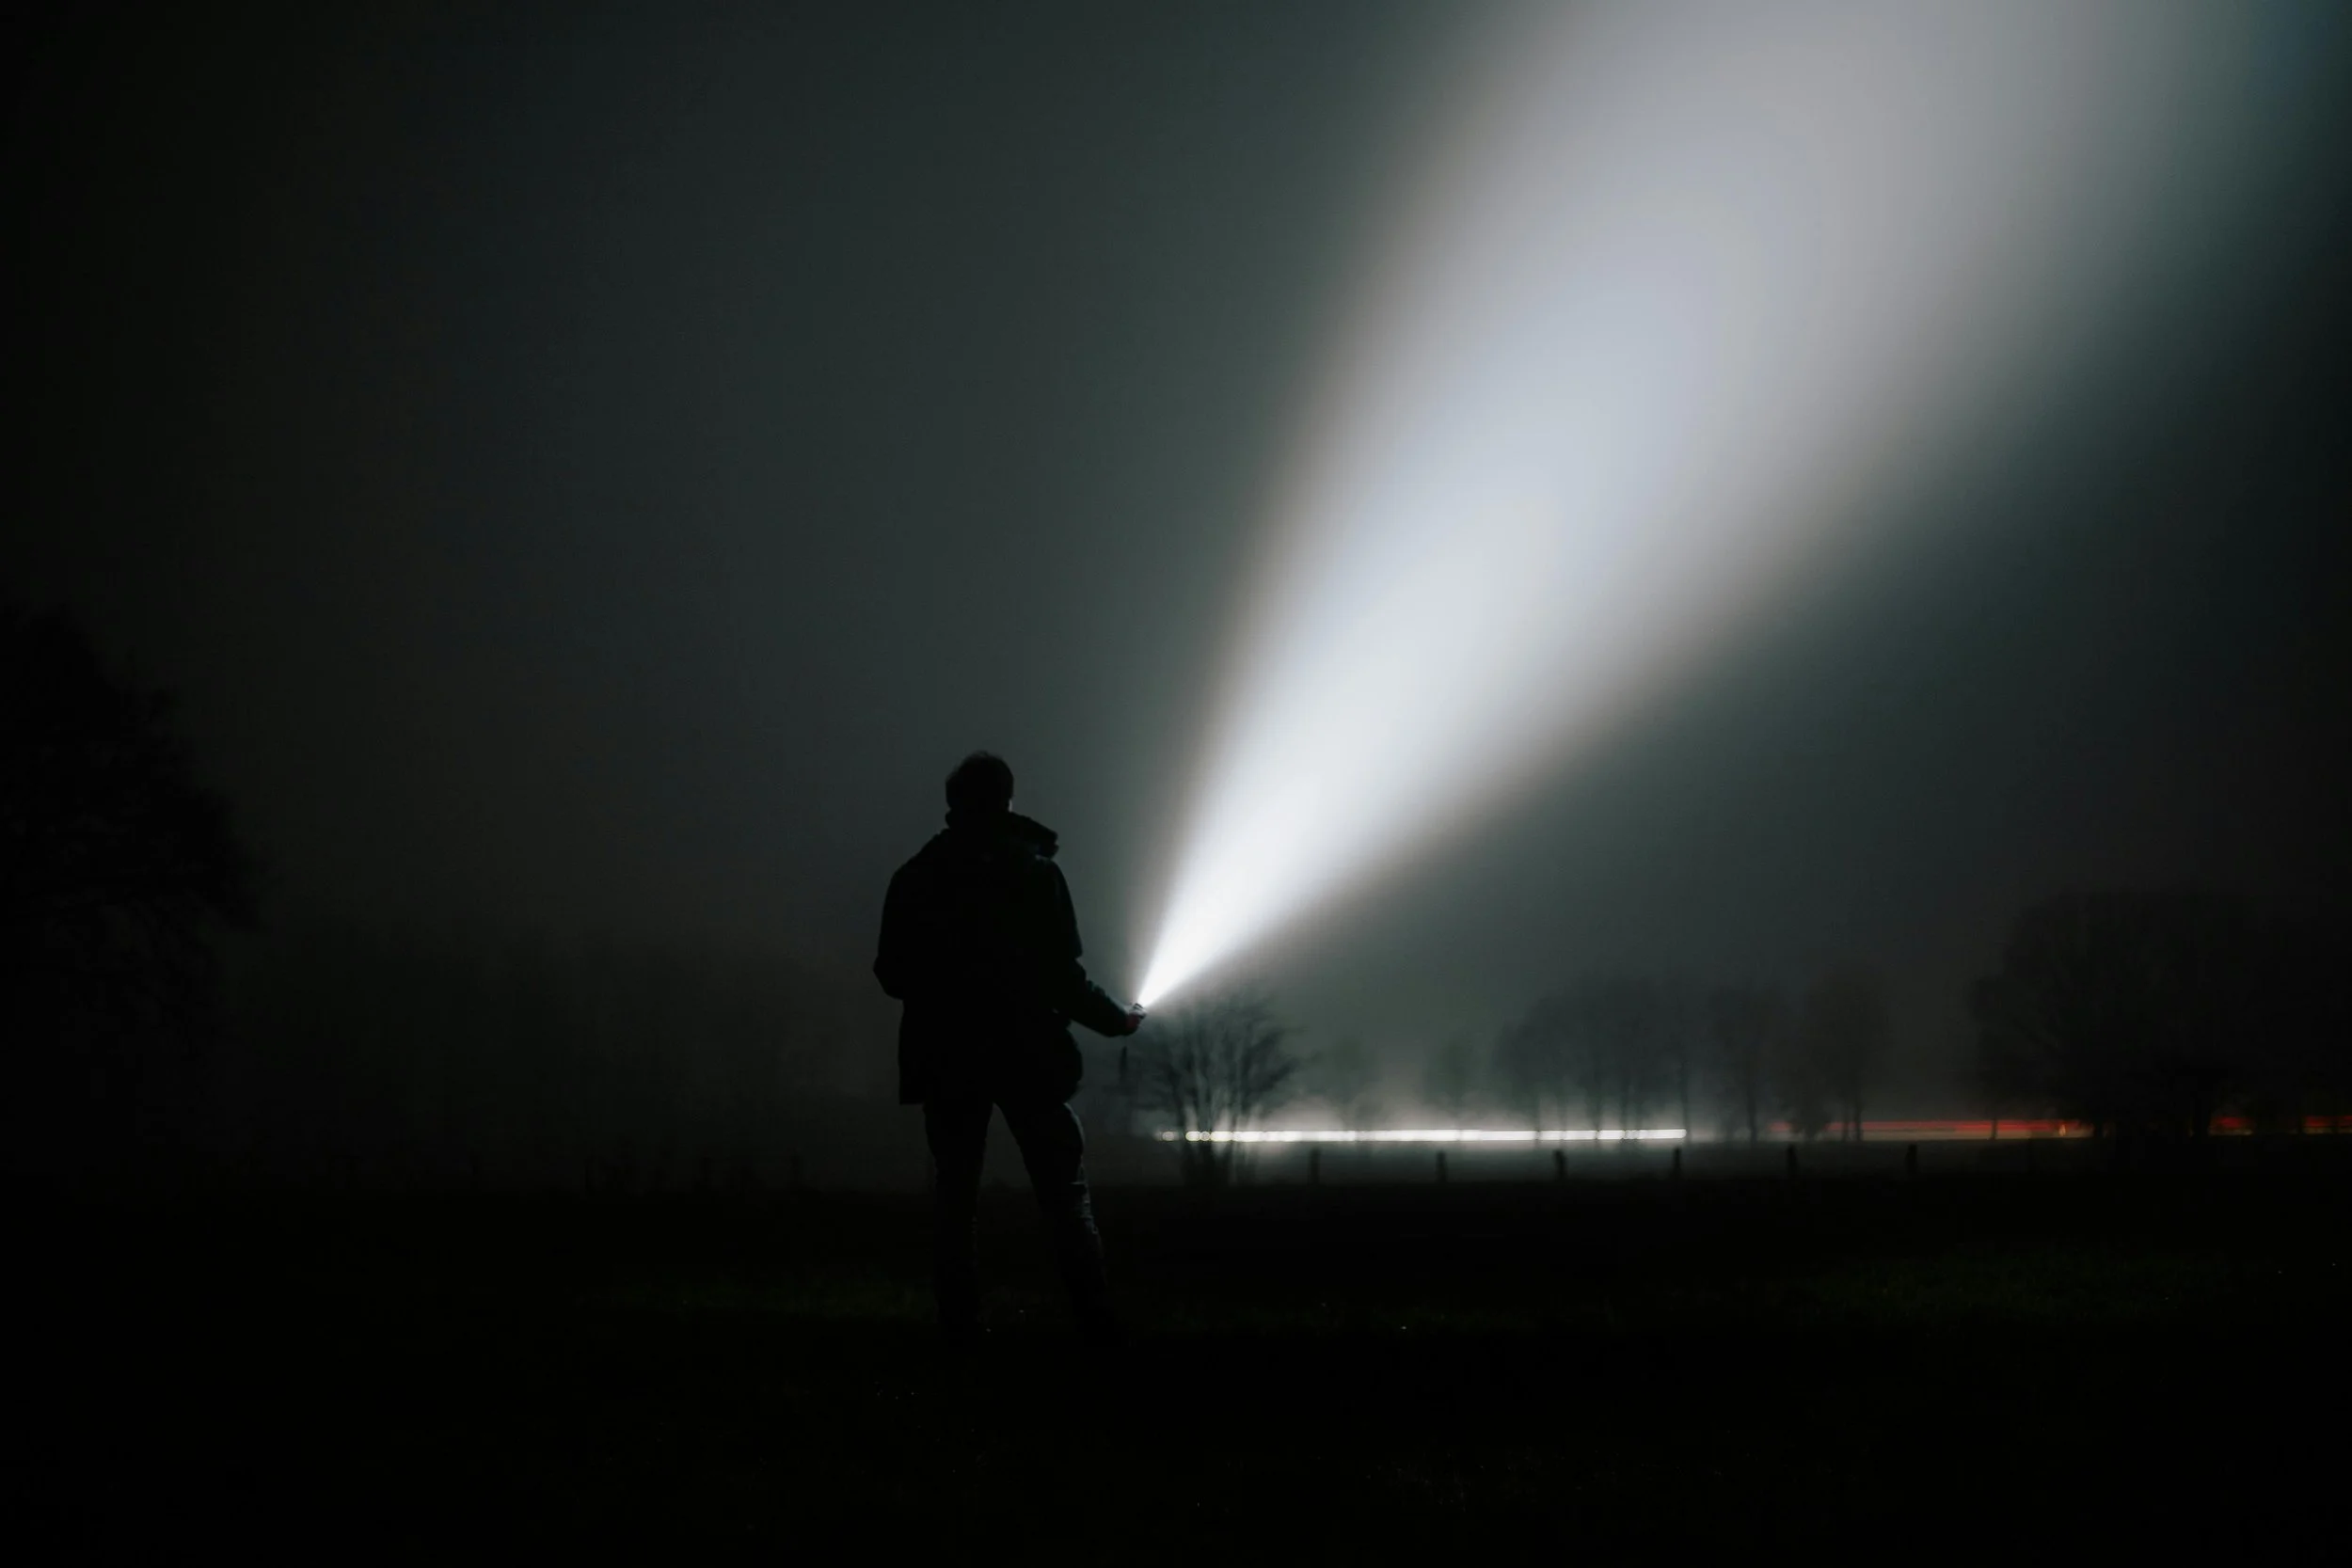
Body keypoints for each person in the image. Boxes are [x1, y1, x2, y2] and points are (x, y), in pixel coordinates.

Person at [874, 751, 1144, 1348]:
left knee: (954, 1196)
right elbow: (1061, 977)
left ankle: (959, 1327)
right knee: (1064, 1194)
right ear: (1008, 801)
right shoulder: (1034, 873)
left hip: (945, 1058)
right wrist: (1116, 1021)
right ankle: (1095, 1323)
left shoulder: (916, 877)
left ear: (952, 805)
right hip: (1030, 1056)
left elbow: (891, 974)